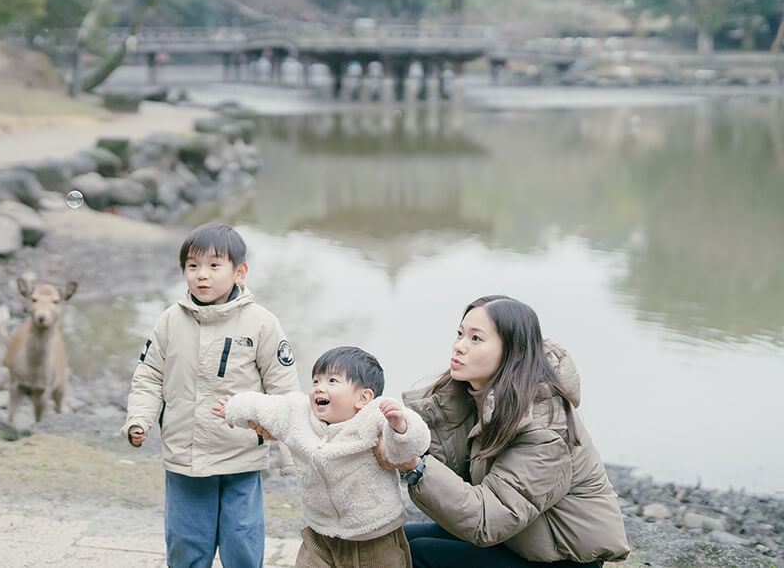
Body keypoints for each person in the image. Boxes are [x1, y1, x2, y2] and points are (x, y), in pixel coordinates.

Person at [376, 295, 630, 568]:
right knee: (391, 541)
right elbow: (447, 469)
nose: (459, 346)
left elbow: (486, 521)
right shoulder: (471, 396)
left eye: (476, 339)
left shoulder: (544, 429)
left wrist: (415, 467)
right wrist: (398, 436)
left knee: (421, 554)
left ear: (512, 351)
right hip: (517, 538)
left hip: (563, 559)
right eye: (460, 334)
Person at [122, 223, 300, 568]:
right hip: (184, 459)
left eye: (214, 266)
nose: (202, 275)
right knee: (186, 545)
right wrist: (139, 419)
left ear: (240, 272)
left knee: (242, 545)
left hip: (241, 459)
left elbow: (284, 392)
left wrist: (290, 455)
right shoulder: (169, 322)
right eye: (193, 266)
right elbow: (148, 377)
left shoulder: (262, 324)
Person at [213, 346, 431, 568]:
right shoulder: (299, 414)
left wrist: (400, 426)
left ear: (363, 397)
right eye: (316, 381)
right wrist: (233, 408)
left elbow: (411, 447)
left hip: (374, 535)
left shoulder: (375, 417)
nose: (319, 388)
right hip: (319, 533)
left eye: (332, 381)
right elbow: (266, 406)